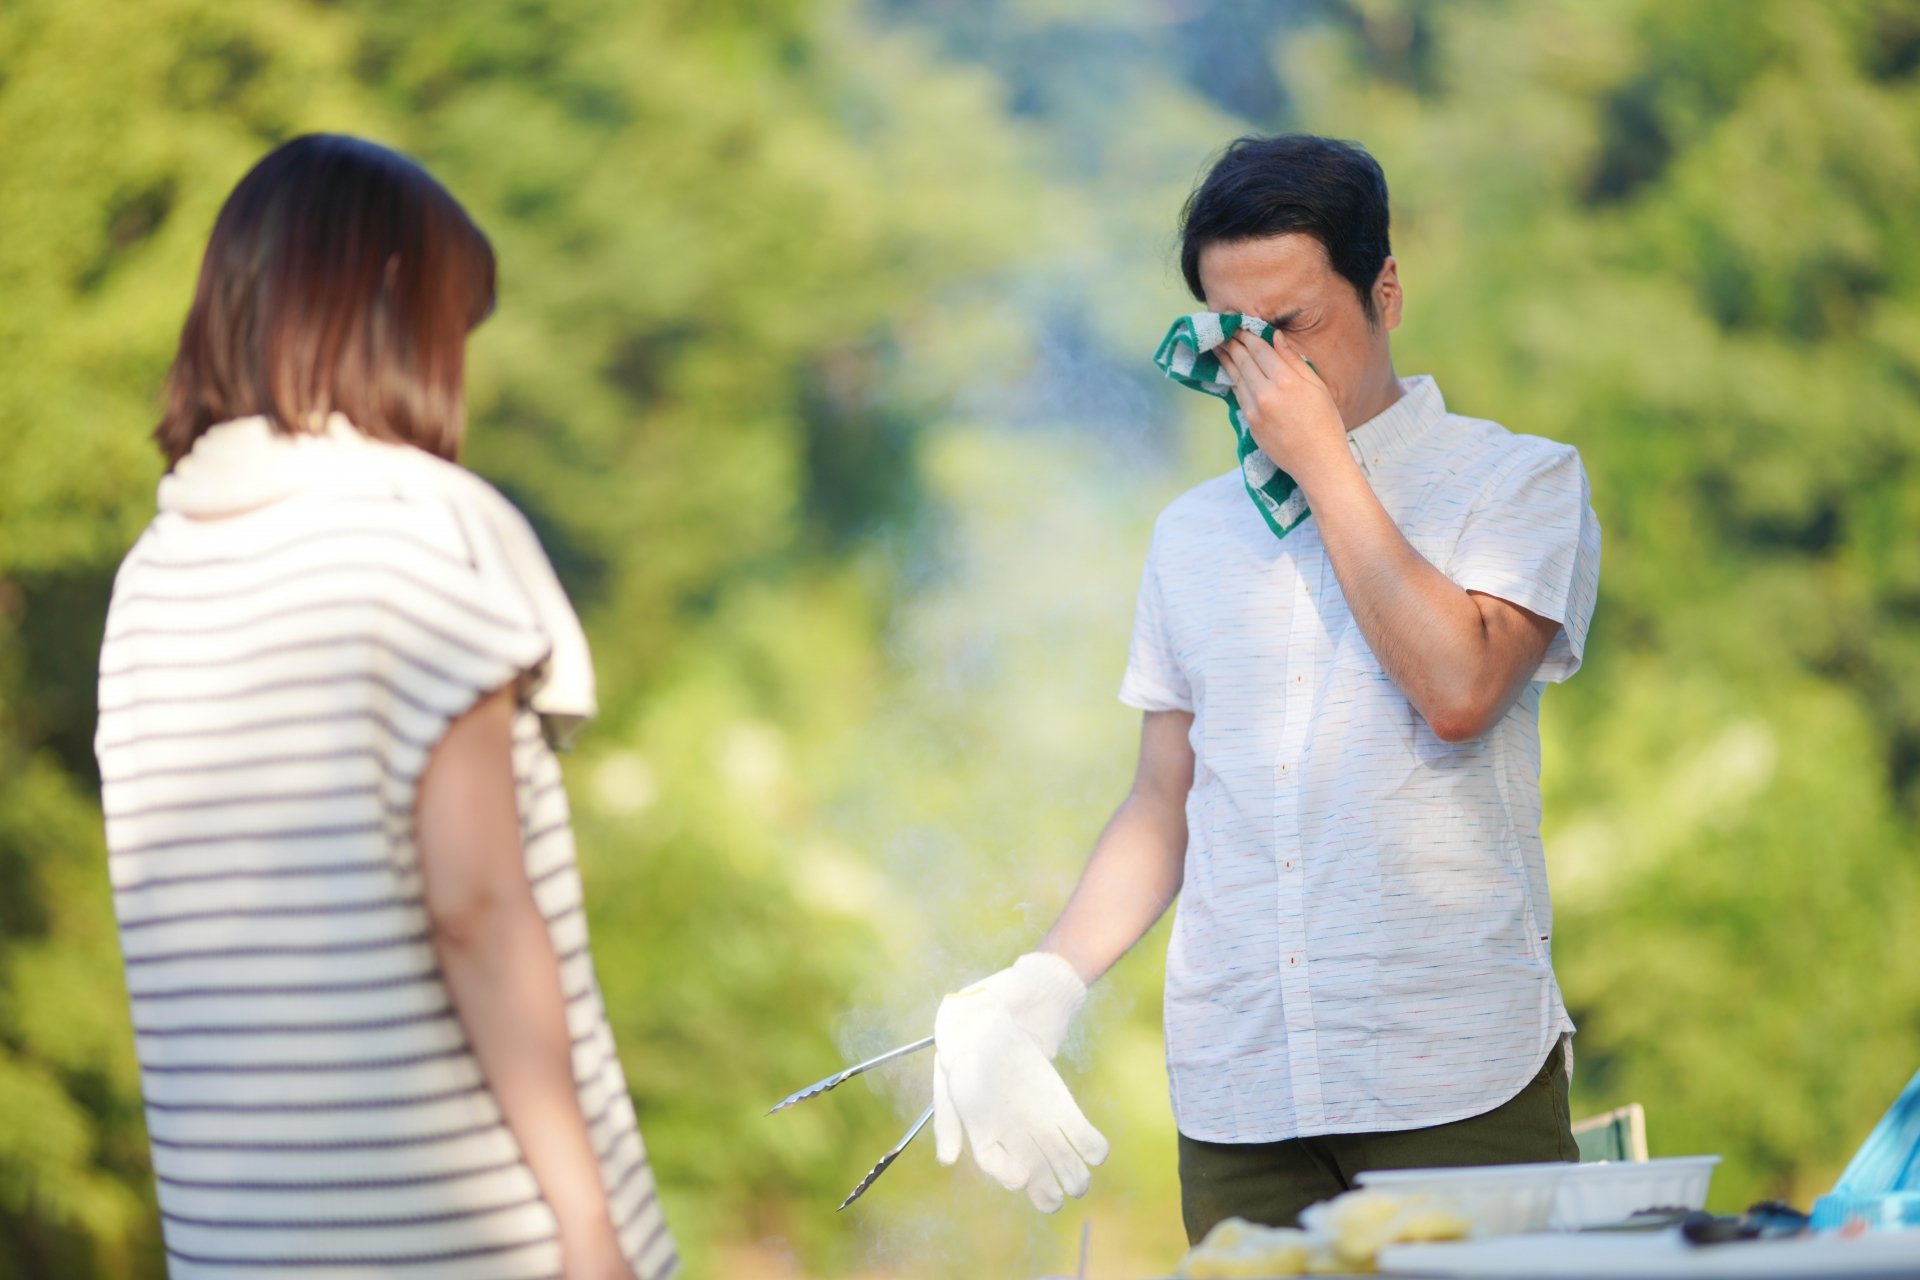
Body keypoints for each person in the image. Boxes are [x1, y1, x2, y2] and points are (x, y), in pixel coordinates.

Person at [930, 134, 1601, 1242]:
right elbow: (1163, 799)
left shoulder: (1518, 478)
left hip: (1453, 1077)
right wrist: (1042, 983)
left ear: (1384, 290)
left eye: (1293, 328)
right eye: (1232, 334)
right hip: (1241, 1091)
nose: (1262, 368)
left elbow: (1459, 687)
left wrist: (1322, 462)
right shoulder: (1192, 532)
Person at [94, 134, 675, 1280]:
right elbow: (476, 906)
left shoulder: (153, 573)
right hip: (466, 1235)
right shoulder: (419, 529)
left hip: (240, 1242)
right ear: (396, 308)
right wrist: (588, 1220)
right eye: (455, 330)